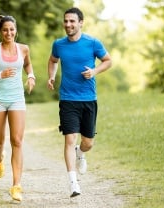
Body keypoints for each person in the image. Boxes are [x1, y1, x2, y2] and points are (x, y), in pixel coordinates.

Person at [47, 7, 112, 197]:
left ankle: (81, 153)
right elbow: (52, 60)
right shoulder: (58, 44)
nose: (68, 24)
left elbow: (108, 61)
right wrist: (51, 76)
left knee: (88, 142)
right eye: (66, 21)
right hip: (68, 99)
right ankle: (73, 183)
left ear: (81, 22)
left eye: (72, 21)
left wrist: (94, 72)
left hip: (88, 99)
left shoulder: (92, 43)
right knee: (69, 139)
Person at [0, 14, 36, 201]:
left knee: (17, 141)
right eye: (5, 30)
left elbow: (27, 64)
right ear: (0, 31)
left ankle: (16, 186)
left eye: (11, 29)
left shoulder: (24, 49)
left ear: (16, 30)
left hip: (17, 98)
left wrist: (31, 76)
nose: (8, 33)